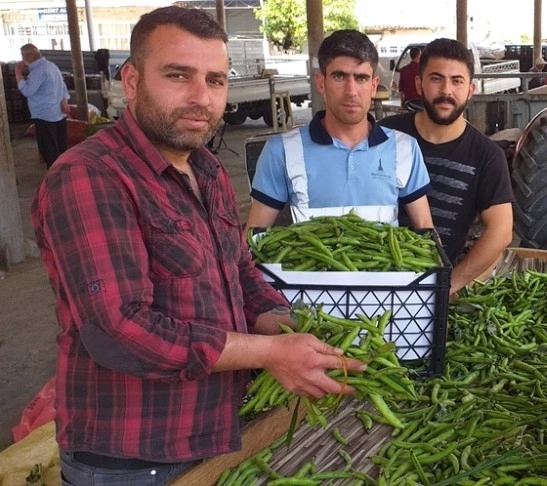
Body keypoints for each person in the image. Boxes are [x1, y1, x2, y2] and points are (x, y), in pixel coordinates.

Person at [31, 7, 366, 484]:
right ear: (131, 81)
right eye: (177, 75)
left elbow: (239, 269)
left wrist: (277, 319)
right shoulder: (90, 176)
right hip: (135, 456)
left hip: (214, 432)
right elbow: (118, 330)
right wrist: (266, 354)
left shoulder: (205, 169)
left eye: (215, 80)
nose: (200, 97)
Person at [247, 30, 434, 229]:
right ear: (321, 82)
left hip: (388, 261)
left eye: (361, 78)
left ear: (373, 86)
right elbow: (254, 238)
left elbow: (425, 230)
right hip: (312, 259)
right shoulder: (281, 151)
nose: (351, 91)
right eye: (339, 76)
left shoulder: (405, 148)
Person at [380, 38, 514, 296]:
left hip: (431, 283)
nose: (446, 91)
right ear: (419, 84)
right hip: (369, 276)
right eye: (436, 79)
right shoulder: (386, 135)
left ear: (471, 90)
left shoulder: (487, 156)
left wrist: (450, 284)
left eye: (457, 81)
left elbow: (502, 230)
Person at [16, 43, 70, 168]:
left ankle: (55, 177)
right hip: (57, 114)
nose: (22, 59)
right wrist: (64, 101)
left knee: (49, 149)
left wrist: (18, 74)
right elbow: (63, 86)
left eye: (22, 56)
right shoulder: (51, 66)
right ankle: (62, 173)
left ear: (30, 57)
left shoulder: (38, 71)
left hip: (44, 115)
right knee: (60, 147)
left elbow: (27, 91)